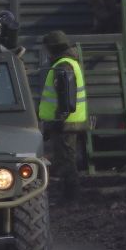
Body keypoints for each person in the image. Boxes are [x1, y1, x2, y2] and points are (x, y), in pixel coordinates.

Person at [37, 30, 87, 202]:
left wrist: (59, 119)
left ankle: (72, 198)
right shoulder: (70, 62)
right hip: (68, 122)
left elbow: (65, 97)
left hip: (65, 123)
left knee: (67, 161)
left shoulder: (63, 66)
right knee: (66, 159)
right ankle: (70, 196)